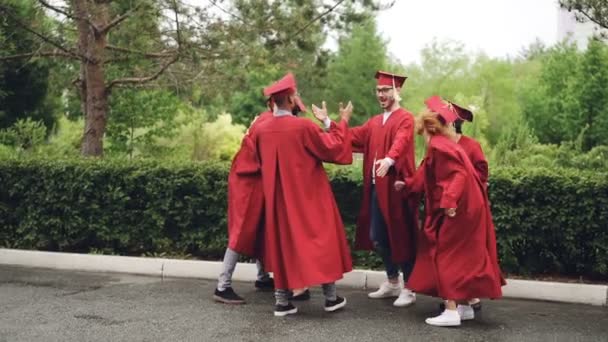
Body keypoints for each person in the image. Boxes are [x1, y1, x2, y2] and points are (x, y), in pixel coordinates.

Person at [247, 72, 354, 316]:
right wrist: (340, 122)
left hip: (279, 201)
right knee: (320, 241)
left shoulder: (261, 130)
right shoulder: (303, 127)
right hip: (309, 197)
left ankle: (282, 302)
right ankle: (330, 298)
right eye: (296, 95)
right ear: (290, 99)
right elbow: (335, 149)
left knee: (283, 244)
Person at [395, 95, 504, 327]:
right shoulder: (443, 145)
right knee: (462, 258)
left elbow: (458, 175)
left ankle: (451, 311)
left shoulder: (438, 146)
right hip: (469, 208)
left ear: (425, 125)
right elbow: (428, 175)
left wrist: (449, 202)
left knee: (446, 256)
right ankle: (463, 308)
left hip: (459, 210)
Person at [213, 83, 309, 305]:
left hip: (254, 179)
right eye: (293, 108)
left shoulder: (264, 120)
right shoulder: (268, 122)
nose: (293, 113)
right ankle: (222, 286)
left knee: (261, 228)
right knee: (241, 231)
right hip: (249, 182)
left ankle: (262, 277)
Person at [346, 71, 418, 307]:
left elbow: (402, 140)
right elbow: (354, 136)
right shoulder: (375, 122)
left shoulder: (405, 118)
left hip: (398, 188)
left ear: (397, 91)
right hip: (378, 189)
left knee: (401, 236)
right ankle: (392, 281)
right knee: (377, 237)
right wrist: (329, 124)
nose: (381, 94)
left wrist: (389, 160)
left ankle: (410, 287)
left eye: (386, 90)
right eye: (378, 91)